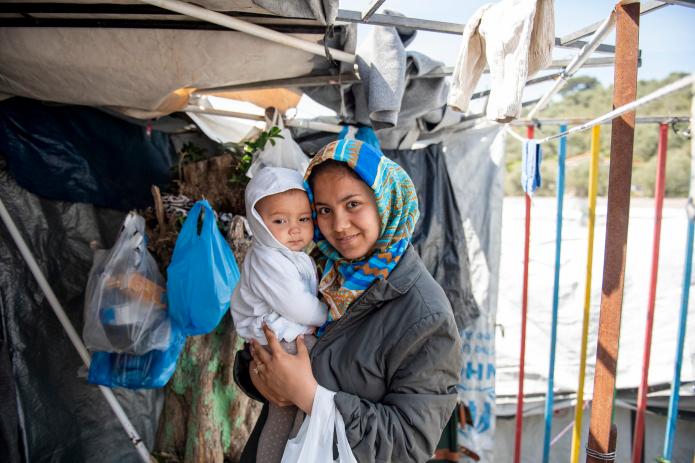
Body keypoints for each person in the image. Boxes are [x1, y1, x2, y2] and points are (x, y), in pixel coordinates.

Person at [234, 139, 463, 463]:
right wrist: (256, 374)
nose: (338, 225)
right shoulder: (327, 271)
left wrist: (311, 396)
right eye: (324, 210)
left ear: (384, 201)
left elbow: (406, 444)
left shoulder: (425, 316)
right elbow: (267, 343)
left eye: (353, 204)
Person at [230, 166, 327, 463]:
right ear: (258, 223)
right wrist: (329, 316)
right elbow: (297, 305)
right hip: (280, 341)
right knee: (288, 411)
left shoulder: (290, 254)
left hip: (286, 335)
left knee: (298, 410)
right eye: (279, 220)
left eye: (303, 219)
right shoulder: (267, 258)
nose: (294, 229)